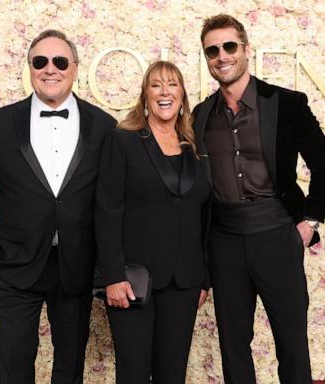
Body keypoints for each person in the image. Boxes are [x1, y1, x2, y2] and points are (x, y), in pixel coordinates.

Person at [0, 29, 116, 384]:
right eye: (40, 61)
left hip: (76, 267)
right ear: (30, 68)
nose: (51, 69)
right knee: (14, 369)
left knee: (69, 369)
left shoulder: (104, 127)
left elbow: (112, 200)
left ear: (74, 69)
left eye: (60, 61)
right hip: (12, 267)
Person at [193, 14, 325, 384]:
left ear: (246, 50)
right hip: (224, 241)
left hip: (277, 234)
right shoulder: (199, 115)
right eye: (212, 50)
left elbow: (323, 162)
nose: (221, 56)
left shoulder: (285, 103)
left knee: (292, 343)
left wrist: (311, 222)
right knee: (233, 346)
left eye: (229, 46)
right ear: (206, 58)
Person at [94, 60, 210, 384]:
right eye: (156, 85)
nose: (164, 92)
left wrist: (203, 278)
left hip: (184, 282)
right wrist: (112, 276)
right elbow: (106, 210)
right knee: (132, 374)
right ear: (145, 94)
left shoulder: (195, 147)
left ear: (182, 95)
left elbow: (204, 214)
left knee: (172, 375)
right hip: (132, 281)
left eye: (172, 85)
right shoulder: (122, 140)